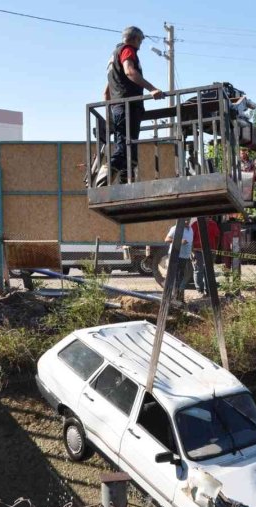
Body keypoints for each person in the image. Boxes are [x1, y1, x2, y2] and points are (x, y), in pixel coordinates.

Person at [102, 26, 165, 184]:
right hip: (128, 106)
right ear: (135, 38)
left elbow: (106, 93)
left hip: (118, 107)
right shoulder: (127, 50)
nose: (141, 44)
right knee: (125, 149)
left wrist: (109, 117)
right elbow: (130, 71)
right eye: (141, 40)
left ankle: (126, 183)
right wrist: (152, 89)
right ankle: (101, 182)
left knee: (130, 151)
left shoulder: (113, 58)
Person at [165, 219, 194, 302]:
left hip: (185, 256)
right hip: (175, 255)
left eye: (189, 219)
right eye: (185, 220)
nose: (187, 221)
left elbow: (191, 243)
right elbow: (167, 239)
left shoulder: (191, 229)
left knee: (181, 277)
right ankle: (173, 298)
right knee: (176, 277)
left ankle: (178, 297)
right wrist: (179, 241)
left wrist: (192, 253)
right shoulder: (175, 228)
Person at [190, 217, 220, 296]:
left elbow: (217, 237)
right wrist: (192, 252)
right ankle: (200, 290)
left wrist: (215, 250)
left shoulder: (213, 224)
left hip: (210, 251)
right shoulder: (195, 225)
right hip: (197, 251)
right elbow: (191, 239)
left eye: (208, 216)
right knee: (198, 271)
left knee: (209, 271)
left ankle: (209, 291)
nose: (207, 218)